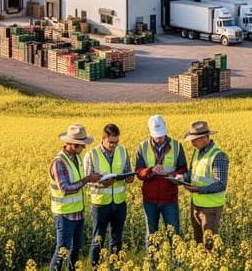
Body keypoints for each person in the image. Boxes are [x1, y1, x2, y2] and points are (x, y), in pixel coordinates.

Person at [49, 124, 103, 271]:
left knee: (75, 250)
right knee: (62, 251)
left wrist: (93, 179)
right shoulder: (59, 162)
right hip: (65, 215)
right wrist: (87, 179)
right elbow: (65, 189)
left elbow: (79, 183)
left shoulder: (77, 158)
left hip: (78, 213)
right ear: (72, 144)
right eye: (81, 145)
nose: (84, 148)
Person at [83, 123, 135, 266]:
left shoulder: (123, 151)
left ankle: (116, 267)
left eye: (116, 142)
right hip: (100, 204)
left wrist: (130, 178)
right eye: (111, 142)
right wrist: (101, 183)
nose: (114, 145)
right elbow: (86, 181)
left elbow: (127, 171)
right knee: (98, 240)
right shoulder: (91, 155)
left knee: (117, 239)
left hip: (119, 203)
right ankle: (96, 268)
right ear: (103, 138)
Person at [135, 114, 188, 251]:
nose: (159, 138)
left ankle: (177, 266)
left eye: (162, 135)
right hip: (150, 201)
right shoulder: (143, 147)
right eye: (156, 135)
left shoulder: (176, 146)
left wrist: (174, 175)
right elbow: (138, 172)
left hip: (170, 199)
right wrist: (150, 171)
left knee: (175, 236)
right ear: (150, 132)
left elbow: (183, 169)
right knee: (151, 237)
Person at [181, 120, 229, 251]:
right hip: (196, 205)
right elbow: (192, 173)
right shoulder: (198, 152)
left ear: (204, 138)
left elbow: (221, 184)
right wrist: (182, 178)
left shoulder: (217, 156)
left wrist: (198, 189)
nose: (192, 143)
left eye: (194, 140)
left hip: (211, 209)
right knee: (199, 245)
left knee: (210, 246)